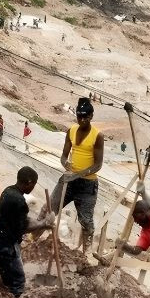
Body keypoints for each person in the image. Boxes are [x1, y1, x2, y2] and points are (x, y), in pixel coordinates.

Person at [50, 97, 104, 254]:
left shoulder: (97, 136)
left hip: (87, 185)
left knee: (86, 221)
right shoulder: (71, 131)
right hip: (69, 180)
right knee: (50, 209)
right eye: (79, 116)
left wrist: (77, 175)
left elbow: (98, 165)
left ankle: (86, 254)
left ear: (91, 116)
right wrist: (64, 163)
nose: (82, 120)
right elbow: (64, 155)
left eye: (85, 116)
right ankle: (34, 239)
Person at [0, 167, 51, 297]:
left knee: (6, 271)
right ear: (29, 182)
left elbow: (23, 219)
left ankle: (5, 289)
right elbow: (24, 227)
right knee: (18, 279)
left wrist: (43, 223)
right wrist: (45, 224)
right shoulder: (19, 201)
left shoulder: (8, 191)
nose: (33, 188)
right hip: (7, 244)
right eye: (33, 185)